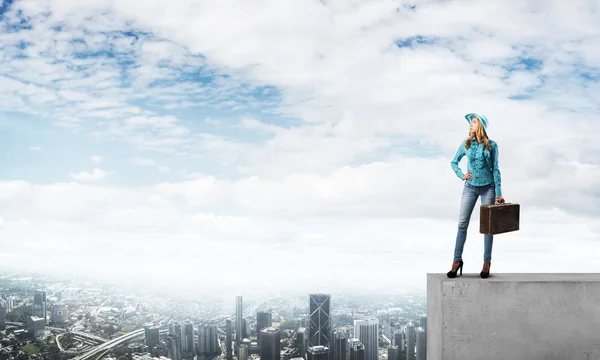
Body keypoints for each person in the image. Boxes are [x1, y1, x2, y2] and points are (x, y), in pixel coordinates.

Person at [447, 113, 504, 279]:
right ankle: (456, 261)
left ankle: (487, 262)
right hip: (470, 188)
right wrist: (461, 175)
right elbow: (453, 162)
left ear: (480, 125)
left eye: (473, 122)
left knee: (488, 227)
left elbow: (495, 168)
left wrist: (499, 193)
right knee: (462, 223)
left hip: (489, 188)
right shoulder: (465, 144)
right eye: (470, 123)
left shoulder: (492, 145)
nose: (470, 125)